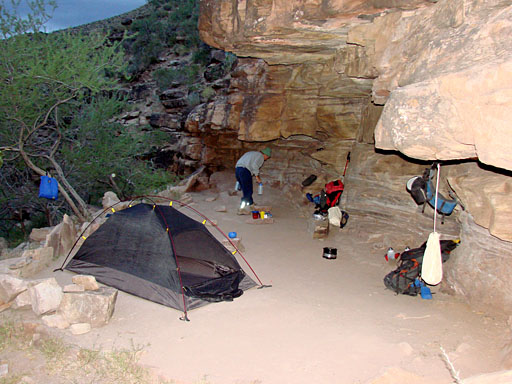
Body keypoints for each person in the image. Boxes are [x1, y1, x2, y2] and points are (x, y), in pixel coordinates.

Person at [235, 147, 271, 214]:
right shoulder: (260, 156)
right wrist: (257, 177)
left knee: (246, 190)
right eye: (267, 157)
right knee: (248, 190)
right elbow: (255, 166)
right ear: (265, 154)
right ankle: (241, 209)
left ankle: (251, 204)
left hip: (237, 169)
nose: (266, 159)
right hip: (245, 171)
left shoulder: (250, 153)